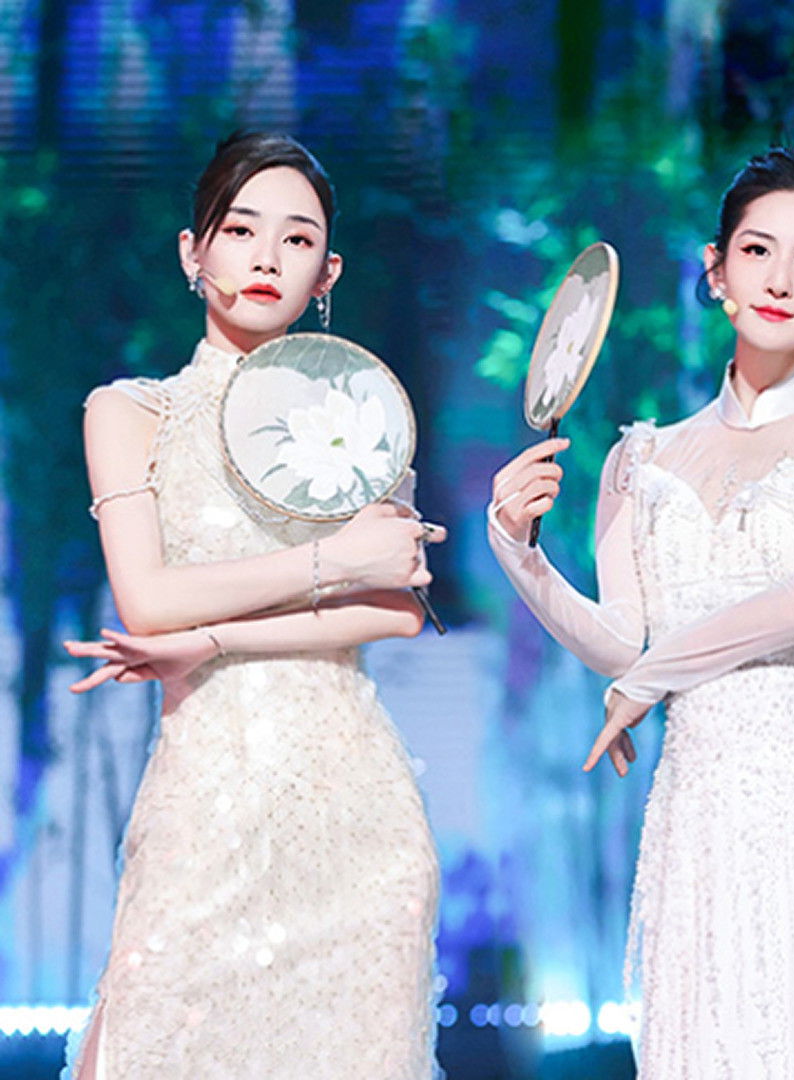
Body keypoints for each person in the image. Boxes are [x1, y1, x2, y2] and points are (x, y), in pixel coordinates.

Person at [487, 141, 794, 1076]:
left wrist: (650, 679)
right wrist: (516, 548)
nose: (780, 280)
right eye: (757, 251)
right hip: (704, 819)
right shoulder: (638, 458)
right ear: (716, 270)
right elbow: (621, 640)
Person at [65, 131, 444, 1079]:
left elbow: (398, 608)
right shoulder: (131, 412)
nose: (268, 257)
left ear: (328, 274)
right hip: (206, 803)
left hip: (357, 815)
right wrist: (333, 559)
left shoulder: (361, 413)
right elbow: (147, 601)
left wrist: (213, 639)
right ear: (193, 253)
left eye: (298, 238)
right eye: (240, 230)